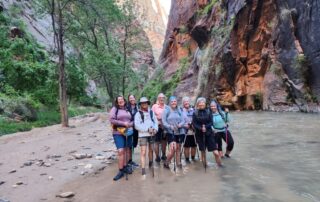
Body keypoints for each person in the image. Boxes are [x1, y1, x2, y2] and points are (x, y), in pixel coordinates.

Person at [109, 96, 134, 181]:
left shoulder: (128, 109)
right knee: (120, 151)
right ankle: (120, 171)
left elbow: (132, 120)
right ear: (117, 101)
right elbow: (112, 120)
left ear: (124, 100)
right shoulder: (114, 109)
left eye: (122, 100)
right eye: (119, 100)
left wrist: (130, 125)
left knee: (127, 150)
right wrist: (123, 123)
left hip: (128, 132)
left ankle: (125, 166)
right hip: (118, 133)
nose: (120, 101)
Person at [192, 97, 222, 167]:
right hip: (199, 134)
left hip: (209, 134)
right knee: (203, 151)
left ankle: (220, 166)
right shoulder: (195, 113)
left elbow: (211, 122)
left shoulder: (209, 111)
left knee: (216, 152)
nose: (201, 104)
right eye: (200, 103)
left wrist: (205, 127)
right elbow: (194, 123)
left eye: (203, 102)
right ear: (197, 104)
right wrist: (200, 128)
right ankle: (205, 166)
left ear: (205, 104)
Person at [134, 97, 158, 176]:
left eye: (145, 102)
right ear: (140, 104)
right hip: (142, 135)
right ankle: (143, 169)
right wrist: (147, 129)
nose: (144, 104)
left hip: (151, 134)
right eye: (142, 103)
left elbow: (155, 122)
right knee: (143, 152)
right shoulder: (138, 114)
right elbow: (137, 126)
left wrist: (155, 129)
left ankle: (151, 163)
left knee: (151, 150)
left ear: (147, 103)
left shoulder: (151, 112)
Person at [162, 96, 185, 169]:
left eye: (175, 101)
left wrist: (180, 125)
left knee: (178, 148)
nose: (173, 103)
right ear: (169, 103)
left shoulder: (179, 110)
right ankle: (166, 162)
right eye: (172, 101)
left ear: (176, 102)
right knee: (173, 149)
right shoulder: (166, 110)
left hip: (179, 131)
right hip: (170, 132)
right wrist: (169, 126)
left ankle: (178, 163)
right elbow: (164, 122)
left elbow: (183, 120)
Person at [151, 93, 168, 163]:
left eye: (163, 97)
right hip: (156, 126)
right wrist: (157, 120)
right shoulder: (154, 106)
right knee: (156, 142)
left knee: (164, 142)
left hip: (165, 127)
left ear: (164, 99)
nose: (162, 99)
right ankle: (157, 157)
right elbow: (151, 116)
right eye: (160, 97)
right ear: (158, 98)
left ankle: (163, 155)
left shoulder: (167, 107)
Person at [181, 97, 197, 163]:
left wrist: (193, 125)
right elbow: (180, 121)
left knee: (194, 145)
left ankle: (193, 159)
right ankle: (187, 160)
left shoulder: (193, 110)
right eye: (185, 101)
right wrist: (186, 126)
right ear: (183, 103)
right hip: (185, 131)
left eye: (187, 101)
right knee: (186, 146)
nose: (186, 102)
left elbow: (196, 119)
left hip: (193, 130)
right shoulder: (181, 111)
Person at [126, 94, 139, 167]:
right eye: (130, 98)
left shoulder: (137, 107)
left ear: (135, 98)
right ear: (128, 99)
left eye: (132, 98)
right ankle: (129, 160)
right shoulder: (126, 107)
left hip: (136, 128)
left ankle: (130, 160)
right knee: (129, 144)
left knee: (134, 144)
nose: (131, 99)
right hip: (129, 128)